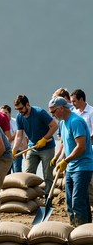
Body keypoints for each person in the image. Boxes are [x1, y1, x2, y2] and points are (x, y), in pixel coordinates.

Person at [48, 97, 93, 226]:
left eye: (53, 111)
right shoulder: (62, 123)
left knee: (78, 201)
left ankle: (81, 230)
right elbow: (64, 144)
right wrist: (58, 157)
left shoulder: (76, 122)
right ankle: (77, 227)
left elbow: (81, 147)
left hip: (83, 167)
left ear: (62, 108)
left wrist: (66, 160)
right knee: (70, 201)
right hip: (70, 167)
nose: (53, 115)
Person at [12, 94, 58, 197]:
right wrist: (14, 150)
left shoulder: (39, 112)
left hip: (47, 148)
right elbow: (19, 136)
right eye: (17, 109)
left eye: (21, 108)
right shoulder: (20, 117)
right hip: (32, 148)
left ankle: (48, 197)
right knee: (28, 174)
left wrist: (44, 139)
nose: (19, 111)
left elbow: (54, 126)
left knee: (47, 175)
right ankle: (30, 197)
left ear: (27, 104)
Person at [0, 104, 27, 173]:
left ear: (10, 113)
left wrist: (25, 152)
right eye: (2, 113)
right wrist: (12, 137)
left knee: (17, 170)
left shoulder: (16, 122)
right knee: (6, 173)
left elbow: (22, 137)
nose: (4, 115)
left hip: (16, 151)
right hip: (5, 152)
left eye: (6, 113)